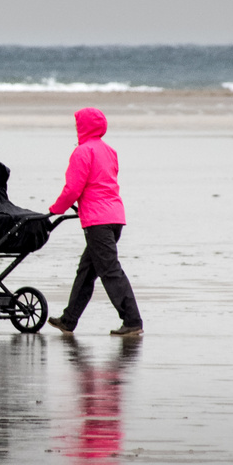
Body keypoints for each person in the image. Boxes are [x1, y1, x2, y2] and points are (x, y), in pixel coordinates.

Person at [47, 107, 143, 338]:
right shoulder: (109, 151)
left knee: (110, 271)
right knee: (87, 271)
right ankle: (69, 320)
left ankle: (132, 321)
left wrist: (55, 209)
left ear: (84, 126)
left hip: (97, 221)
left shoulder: (82, 152)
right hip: (115, 217)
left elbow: (73, 189)